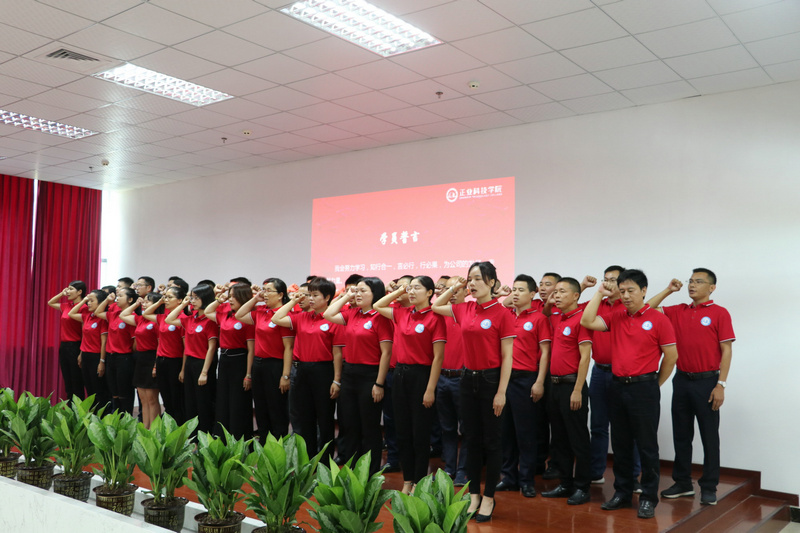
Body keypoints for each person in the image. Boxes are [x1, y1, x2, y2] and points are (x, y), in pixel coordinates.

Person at [581, 269, 678, 519]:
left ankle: (648, 498)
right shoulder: (617, 316)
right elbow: (587, 321)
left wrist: (655, 384)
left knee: (647, 446)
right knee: (621, 444)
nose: (625, 296)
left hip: (644, 387)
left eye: (630, 291)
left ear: (644, 291)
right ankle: (622, 493)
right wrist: (599, 292)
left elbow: (671, 357)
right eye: (621, 291)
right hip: (617, 386)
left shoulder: (658, 319)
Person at [433, 262, 514, 522]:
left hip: (491, 380)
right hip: (467, 379)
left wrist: (501, 392)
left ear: (492, 282)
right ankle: (475, 495)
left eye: (478, 278)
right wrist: (455, 287)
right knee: (471, 439)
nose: (472, 283)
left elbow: (507, 356)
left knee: (492, 441)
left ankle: (489, 496)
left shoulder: (502, 314)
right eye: (470, 279)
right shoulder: (465, 308)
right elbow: (435, 306)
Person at [647, 269, 735, 506]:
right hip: (682, 380)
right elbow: (646, 308)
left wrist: (721, 385)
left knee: (709, 436)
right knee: (682, 434)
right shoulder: (678, 311)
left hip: (708, 382)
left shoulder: (720, 313)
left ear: (712, 288)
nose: (692, 285)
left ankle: (709, 486)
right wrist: (669, 290)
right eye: (691, 281)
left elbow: (727, 350)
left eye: (699, 282)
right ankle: (683, 483)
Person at [374, 276, 444, 493]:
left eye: (417, 288)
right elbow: (378, 305)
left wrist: (430, 389)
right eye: (410, 288)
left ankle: (419, 482)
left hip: (422, 376)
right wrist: (399, 291)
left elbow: (438, 358)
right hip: (400, 375)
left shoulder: (435, 317)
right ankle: (407, 481)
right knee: (402, 431)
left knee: (420, 434)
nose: (411, 292)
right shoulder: (403, 313)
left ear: (430, 293)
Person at [272, 277, 345, 462]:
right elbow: (276, 318)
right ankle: (307, 459)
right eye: (309, 295)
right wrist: (294, 302)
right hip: (302, 371)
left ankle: (325, 461)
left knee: (325, 418)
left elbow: (337, 354)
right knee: (304, 419)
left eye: (315, 295)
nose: (310, 299)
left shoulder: (333, 319)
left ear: (327, 297)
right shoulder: (302, 317)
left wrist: (336, 380)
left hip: (324, 371)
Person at [325, 277, 393, 475]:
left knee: (369, 427)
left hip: (370, 376)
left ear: (375, 293)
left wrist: (379, 383)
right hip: (349, 374)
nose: (358, 294)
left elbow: (386, 353)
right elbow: (329, 314)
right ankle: (352, 471)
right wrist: (347, 296)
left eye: (363, 291)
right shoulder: (353, 313)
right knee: (349, 425)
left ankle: (370, 473)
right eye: (357, 290)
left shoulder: (380, 317)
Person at [587, 266, 643, 488]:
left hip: (622, 374)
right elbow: (583, 318)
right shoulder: (597, 304)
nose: (609, 283)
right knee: (598, 426)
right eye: (606, 279)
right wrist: (597, 292)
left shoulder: (627, 308)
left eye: (614, 280)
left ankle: (633, 476)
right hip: (599, 371)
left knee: (629, 428)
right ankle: (595, 472)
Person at [497, 274, 551, 498]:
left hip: (526, 379)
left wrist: (539, 382)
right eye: (514, 290)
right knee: (505, 432)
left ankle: (527, 480)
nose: (516, 294)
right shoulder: (505, 316)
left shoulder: (539, 318)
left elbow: (545, 352)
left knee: (526, 432)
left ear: (532, 294)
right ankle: (509, 478)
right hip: (503, 379)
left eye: (521, 290)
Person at [540, 277, 592, 505]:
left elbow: (585, 358)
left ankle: (582, 487)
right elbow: (544, 311)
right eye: (555, 292)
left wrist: (578, 389)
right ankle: (565, 483)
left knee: (578, 439)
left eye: (562, 292)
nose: (556, 295)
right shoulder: (559, 318)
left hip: (572, 386)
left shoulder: (582, 319)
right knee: (560, 438)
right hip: (555, 386)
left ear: (576, 296)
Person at [235, 278, 295, 441]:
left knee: (276, 408)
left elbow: (289, 348)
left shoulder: (284, 316)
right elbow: (239, 314)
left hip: (275, 366)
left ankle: (278, 444)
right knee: (261, 407)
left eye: (269, 290)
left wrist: (285, 375)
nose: (265, 294)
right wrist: (255, 298)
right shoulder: (262, 312)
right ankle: (263, 442)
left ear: (280, 295)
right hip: (258, 364)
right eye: (264, 290)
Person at [166, 284, 219, 436]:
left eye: (196, 298)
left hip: (202, 364)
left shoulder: (210, 320)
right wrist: (183, 304)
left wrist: (204, 372)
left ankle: (205, 435)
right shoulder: (190, 319)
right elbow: (169, 319)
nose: (193, 301)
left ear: (206, 299)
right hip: (190, 362)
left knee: (203, 402)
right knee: (190, 401)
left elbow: (211, 348)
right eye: (192, 298)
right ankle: (193, 437)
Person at [205, 283, 255, 440]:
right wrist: (220, 299)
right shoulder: (225, 314)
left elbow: (251, 350)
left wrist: (248, 374)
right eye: (230, 296)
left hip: (240, 361)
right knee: (223, 400)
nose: (230, 299)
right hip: (225, 360)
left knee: (237, 402)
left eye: (234, 296)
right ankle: (221, 438)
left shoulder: (248, 318)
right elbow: (207, 311)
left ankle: (239, 438)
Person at [437, 276, 468, 486]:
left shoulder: (469, 312)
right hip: (442, 377)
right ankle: (449, 468)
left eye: (457, 290)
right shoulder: (441, 313)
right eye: (449, 290)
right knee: (447, 428)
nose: (453, 293)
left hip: (462, 378)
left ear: (467, 291)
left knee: (466, 429)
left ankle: (463, 471)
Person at [382, 274, 414, 472]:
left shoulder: (419, 311)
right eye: (398, 287)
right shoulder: (393, 310)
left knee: (411, 420)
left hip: (413, 373)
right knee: (391, 419)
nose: (400, 291)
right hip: (391, 372)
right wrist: (391, 291)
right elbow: (377, 304)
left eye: (405, 287)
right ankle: (394, 459)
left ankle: (411, 459)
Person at [144, 285, 186, 424]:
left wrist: (183, 369)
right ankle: (168, 427)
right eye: (165, 297)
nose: (166, 300)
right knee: (166, 397)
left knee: (176, 398)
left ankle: (178, 427)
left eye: (169, 297)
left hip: (175, 362)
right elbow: (146, 314)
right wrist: (159, 302)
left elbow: (186, 347)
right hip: (162, 361)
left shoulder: (182, 319)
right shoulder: (163, 317)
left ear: (180, 300)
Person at [120, 293, 161, 428]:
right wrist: (136, 304)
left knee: (152, 399)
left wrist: (155, 365)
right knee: (143, 399)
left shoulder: (156, 321)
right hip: (140, 358)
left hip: (152, 357)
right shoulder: (140, 319)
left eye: (148, 302)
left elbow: (160, 344)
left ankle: (154, 430)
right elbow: (123, 315)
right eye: (144, 301)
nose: (144, 303)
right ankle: (145, 427)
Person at [68, 289, 110, 410]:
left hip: (96, 357)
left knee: (99, 389)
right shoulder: (88, 315)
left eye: (92, 301)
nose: (88, 303)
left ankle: (102, 416)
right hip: (86, 355)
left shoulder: (103, 319)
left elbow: (104, 342)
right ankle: (92, 415)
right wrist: (81, 354)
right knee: (89, 389)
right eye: (88, 301)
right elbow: (71, 313)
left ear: (101, 302)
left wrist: (102, 361)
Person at [97, 288, 137, 414]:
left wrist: (128, 353)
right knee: (114, 391)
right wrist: (107, 300)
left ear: (130, 299)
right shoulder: (114, 314)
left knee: (124, 391)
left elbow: (135, 342)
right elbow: (98, 312)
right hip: (111, 357)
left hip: (124, 358)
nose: (117, 298)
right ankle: (116, 418)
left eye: (120, 296)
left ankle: (126, 418)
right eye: (117, 296)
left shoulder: (131, 317)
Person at [47, 281, 87, 400]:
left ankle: (78, 409)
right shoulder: (66, 305)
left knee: (76, 381)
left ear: (79, 292)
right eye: (67, 289)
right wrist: (61, 293)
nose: (68, 292)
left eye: (71, 289)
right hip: (64, 346)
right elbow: (50, 302)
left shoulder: (84, 308)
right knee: (68, 381)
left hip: (76, 346)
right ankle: (69, 408)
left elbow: (84, 332)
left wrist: (81, 353)